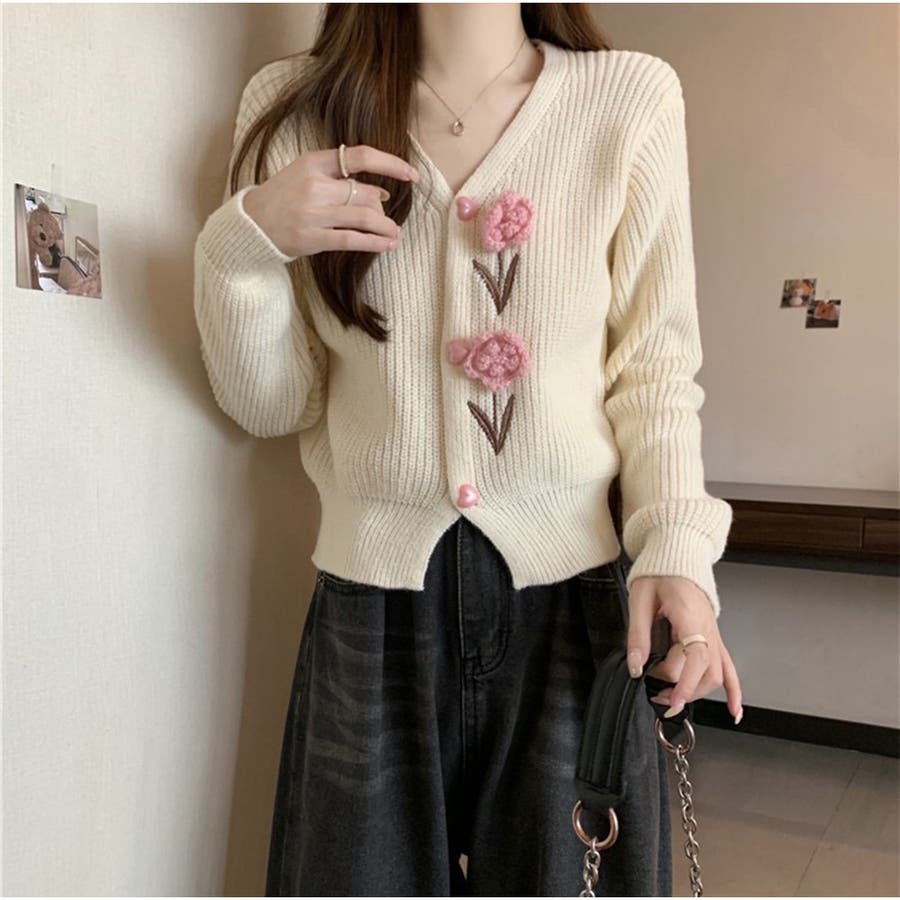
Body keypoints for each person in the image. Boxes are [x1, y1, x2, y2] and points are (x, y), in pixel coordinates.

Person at [193, 4, 744, 896]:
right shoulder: (296, 107)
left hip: (571, 606)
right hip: (373, 609)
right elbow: (274, 403)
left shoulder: (627, 99)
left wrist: (677, 551)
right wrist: (241, 247)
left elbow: (653, 368)